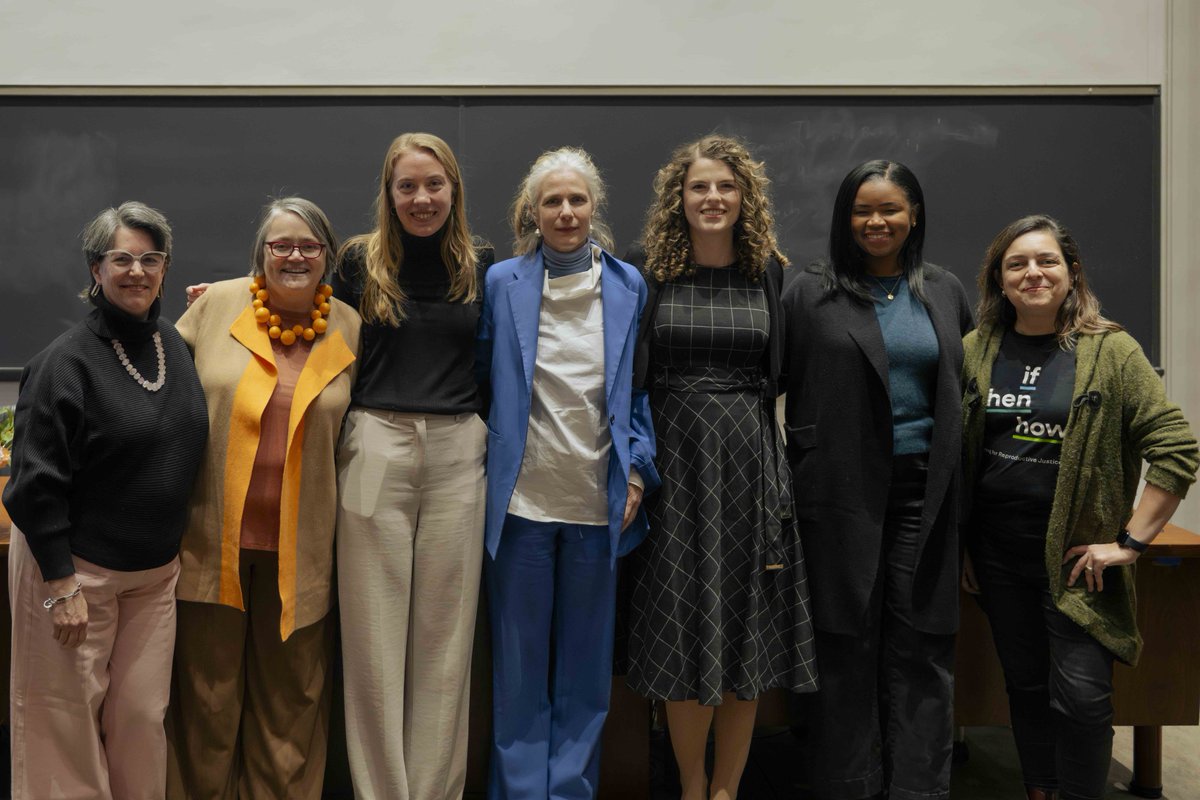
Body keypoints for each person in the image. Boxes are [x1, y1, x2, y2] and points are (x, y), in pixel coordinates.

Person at [961, 214, 1198, 800]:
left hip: (1075, 560)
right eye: (1016, 263)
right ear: (999, 278)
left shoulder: (1111, 351)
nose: (1033, 273)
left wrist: (1131, 543)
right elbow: (960, 453)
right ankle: (1041, 787)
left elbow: (1175, 446)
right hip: (997, 554)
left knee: (1085, 700)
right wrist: (964, 543)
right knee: (1025, 685)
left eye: (1046, 261)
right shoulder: (975, 349)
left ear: (1071, 273)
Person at [624, 134, 818, 800]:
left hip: (749, 465)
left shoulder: (770, 271)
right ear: (679, 198)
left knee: (745, 632)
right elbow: (628, 378)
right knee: (683, 626)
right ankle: (690, 783)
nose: (713, 198)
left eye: (726, 187)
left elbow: (782, 372)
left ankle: (728, 789)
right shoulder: (646, 270)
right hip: (674, 468)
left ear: (746, 198)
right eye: (700, 186)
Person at [782, 160, 973, 800]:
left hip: (928, 492)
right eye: (862, 210)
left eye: (890, 208)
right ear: (845, 217)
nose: (876, 221)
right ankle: (848, 785)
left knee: (923, 646)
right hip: (838, 494)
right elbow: (764, 387)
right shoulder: (809, 293)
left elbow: (966, 391)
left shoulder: (944, 291)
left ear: (913, 214)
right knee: (844, 646)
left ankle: (920, 790)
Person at [4, 202, 208, 799]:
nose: (137, 271)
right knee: (61, 723)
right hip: (74, 574)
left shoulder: (175, 343)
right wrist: (60, 583)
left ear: (166, 268)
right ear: (96, 269)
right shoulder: (63, 362)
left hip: (153, 578)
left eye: (150, 258)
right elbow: (34, 482)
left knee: (142, 720)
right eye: (121, 259)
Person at [476, 146, 660, 800]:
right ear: (532, 210)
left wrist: (637, 470)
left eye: (576, 199)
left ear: (594, 207)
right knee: (520, 674)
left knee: (585, 673)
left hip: (597, 506)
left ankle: (571, 791)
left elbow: (638, 393)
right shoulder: (501, 283)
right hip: (521, 506)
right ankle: (523, 793)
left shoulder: (628, 285)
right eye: (552, 200)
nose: (565, 211)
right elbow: (481, 380)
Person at [166, 197, 360, 800]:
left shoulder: (353, 327)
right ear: (262, 254)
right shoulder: (215, 308)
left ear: (326, 256)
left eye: (308, 246)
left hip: (301, 551)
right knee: (207, 702)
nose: (295, 256)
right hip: (210, 543)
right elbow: (158, 396)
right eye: (281, 245)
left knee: (291, 708)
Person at [332, 132, 493, 800]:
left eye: (433, 184)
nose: (421, 198)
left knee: (444, 641)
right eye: (407, 186)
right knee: (372, 640)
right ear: (389, 193)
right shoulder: (356, 262)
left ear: (453, 188)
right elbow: (292, 303)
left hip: (459, 451)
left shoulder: (482, 265)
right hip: (376, 442)